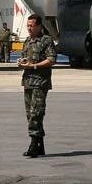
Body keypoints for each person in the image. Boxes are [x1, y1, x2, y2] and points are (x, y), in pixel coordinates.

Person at [18, 13, 57, 158]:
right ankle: (40, 145)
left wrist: (33, 66)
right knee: (30, 114)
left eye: (32, 26)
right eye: (28, 25)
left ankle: (33, 145)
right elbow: (26, 58)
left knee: (36, 113)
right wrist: (22, 63)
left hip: (40, 82)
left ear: (39, 26)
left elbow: (51, 59)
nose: (29, 28)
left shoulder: (46, 40)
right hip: (28, 82)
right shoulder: (28, 41)